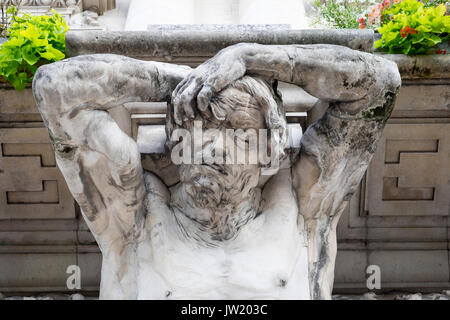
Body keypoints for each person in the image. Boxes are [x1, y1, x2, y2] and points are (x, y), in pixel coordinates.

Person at [33, 43, 400, 299]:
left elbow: (380, 83)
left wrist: (248, 57)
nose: (209, 146)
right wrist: (186, 82)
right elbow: (54, 88)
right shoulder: (133, 218)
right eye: (196, 128)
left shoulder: (306, 211)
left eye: (236, 135)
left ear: (269, 154)